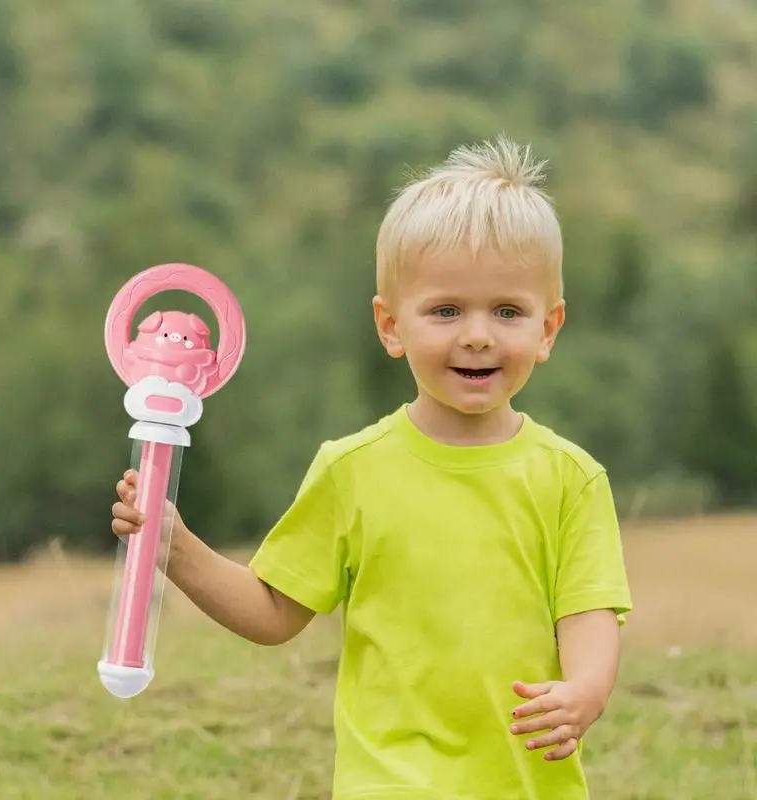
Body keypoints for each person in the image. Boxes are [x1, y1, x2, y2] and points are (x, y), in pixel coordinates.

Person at [111, 134, 633, 799]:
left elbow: (589, 614)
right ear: (391, 327)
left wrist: (585, 690)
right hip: (389, 784)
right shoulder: (351, 469)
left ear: (548, 329)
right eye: (445, 310)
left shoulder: (571, 478)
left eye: (508, 311)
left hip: (525, 784)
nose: (477, 333)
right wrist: (174, 546)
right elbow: (273, 611)